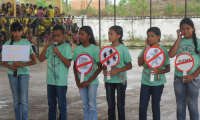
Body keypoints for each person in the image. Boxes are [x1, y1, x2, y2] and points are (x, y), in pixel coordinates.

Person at [1, 22, 36, 120]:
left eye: (19, 31)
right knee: (16, 100)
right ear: (11, 32)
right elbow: (2, 61)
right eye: (15, 31)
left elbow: (34, 61)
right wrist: (10, 66)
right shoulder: (8, 44)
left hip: (24, 73)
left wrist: (21, 64)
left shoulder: (26, 43)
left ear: (22, 31)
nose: (17, 33)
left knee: (24, 100)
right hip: (12, 74)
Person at [168, 18, 200, 120]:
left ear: (193, 29)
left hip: (193, 78)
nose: (185, 31)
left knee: (192, 104)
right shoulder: (179, 41)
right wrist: (178, 38)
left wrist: (192, 76)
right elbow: (171, 54)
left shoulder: (198, 42)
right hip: (179, 77)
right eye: (182, 29)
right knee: (180, 105)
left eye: (188, 28)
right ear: (179, 31)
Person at [39, 25, 72, 120]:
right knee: (51, 105)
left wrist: (58, 53)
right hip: (50, 81)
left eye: (58, 36)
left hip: (61, 81)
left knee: (62, 105)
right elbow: (41, 59)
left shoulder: (66, 47)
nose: (56, 38)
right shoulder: (50, 47)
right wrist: (46, 45)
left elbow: (68, 63)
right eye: (54, 36)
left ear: (63, 36)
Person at [138, 27, 170, 120]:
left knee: (155, 106)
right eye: (148, 36)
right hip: (145, 81)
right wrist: (146, 49)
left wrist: (158, 71)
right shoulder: (146, 49)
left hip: (158, 83)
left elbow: (168, 68)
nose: (149, 38)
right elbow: (140, 63)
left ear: (158, 37)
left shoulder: (163, 50)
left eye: (152, 36)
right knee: (143, 106)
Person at [103, 26, 132, 120]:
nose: (109, 36)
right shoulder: (106, 49)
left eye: (111, 34)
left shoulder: (123, 49)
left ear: (118, 36)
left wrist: (117, 70)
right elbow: (104, 63)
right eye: (108, 33)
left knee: (120, 105)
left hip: (121, 80)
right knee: (110, 106)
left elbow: (129, 65)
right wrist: (104, 69)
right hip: (109, 81)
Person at [73, 26, 102, 120]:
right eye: (79, 34)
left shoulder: (95, 49)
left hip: (92, 82)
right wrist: (77, 80)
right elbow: (75, 66)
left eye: (82, 34)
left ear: (89, 36)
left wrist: (89, 81)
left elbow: (100, 67)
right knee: (85, 104)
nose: (80, 36)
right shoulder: (77, 49)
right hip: (81, 82)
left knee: (92, 103)